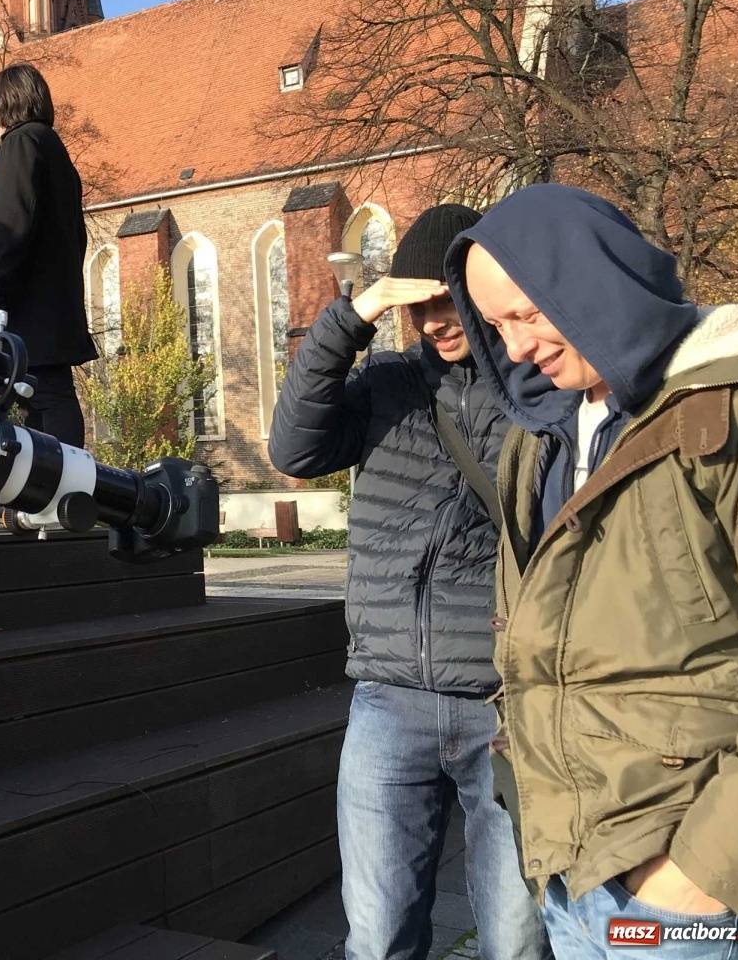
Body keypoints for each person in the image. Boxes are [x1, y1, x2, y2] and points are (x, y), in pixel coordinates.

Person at [445, 184, 738, 956]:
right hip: (571, 880)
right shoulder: (540, 438)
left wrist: (703, 872)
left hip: (695, 898)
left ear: (590, 276)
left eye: (526, 313)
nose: (516, 347)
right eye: (496, 326)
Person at [270, 204, 551, 960]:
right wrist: (357, 313)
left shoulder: (535, 394)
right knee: (377, 939)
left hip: (504, 707)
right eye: (417, 302)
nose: (432, 318)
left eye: (446, 298)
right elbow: (292, 448)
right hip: (388, 701)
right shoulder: (385, 382)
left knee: (517, 943)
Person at [0, 63, 96, 447]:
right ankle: (64, 487)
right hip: (57, 300)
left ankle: (60, 488)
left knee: (40, 397)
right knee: (52, 394)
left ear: (4, 105)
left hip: (29, 304)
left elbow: (10, 225)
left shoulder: (20, 143)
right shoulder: (53, 147)